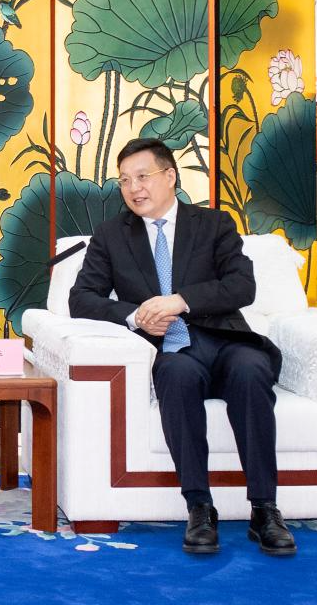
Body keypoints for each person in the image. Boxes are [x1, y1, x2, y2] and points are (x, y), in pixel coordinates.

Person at [68, 138, 296, 556]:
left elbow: (241, 286)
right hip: (172, 350)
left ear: (170, 176)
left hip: (226, 341)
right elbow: (81, 298)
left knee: (251, 370)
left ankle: (265, 509)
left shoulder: (213, 224)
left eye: (142, 176)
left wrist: (181, 300)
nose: (133, 188)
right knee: (176, 374)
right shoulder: (111, 235)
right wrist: (136, 316)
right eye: (124, 181)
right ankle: (199, 507)